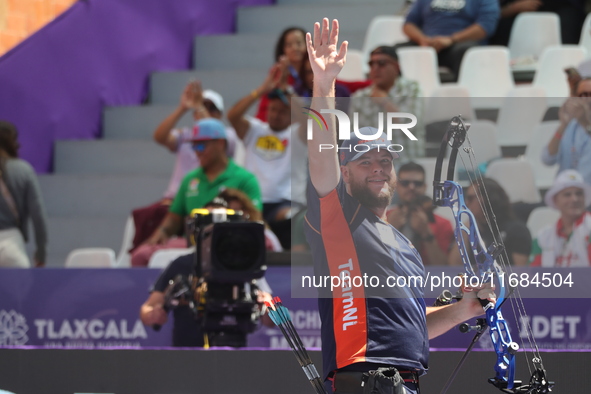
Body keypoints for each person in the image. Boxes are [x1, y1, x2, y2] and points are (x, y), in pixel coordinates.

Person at [304, 18, 495, 394]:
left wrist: (465, 308)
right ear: (345, 171)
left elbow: (409, 323)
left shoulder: (402, 243)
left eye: (385, 161)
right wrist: (324, 86)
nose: (378, 167)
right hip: (366, 380)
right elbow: (320, 157)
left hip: (403, 382)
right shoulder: (339, 216)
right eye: (365, 161)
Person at [130, 118, 262, 267]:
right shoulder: (190, 179)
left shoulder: (245, 179)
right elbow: (175, 217)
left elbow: (254, 218)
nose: (196, 152)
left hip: (230, 243)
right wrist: (161, 232)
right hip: (191, 243)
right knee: (141, 255)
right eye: (194, 146)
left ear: (220, 143)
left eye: (201, 146)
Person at [130, 81, 241, 252]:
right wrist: (183, 108)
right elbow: (159, 137)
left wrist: (199, 109)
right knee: (146, 247)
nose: (199, 150)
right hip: (177, 202)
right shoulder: (186, 135)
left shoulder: (227, 137)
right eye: (203, 106)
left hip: (209, 206)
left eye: (211, 108)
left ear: (220, 114)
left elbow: (212, 132)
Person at [227, 68, 308, 225]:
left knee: (292, 219)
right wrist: (261, 90)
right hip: (252, 203)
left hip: (287, 203)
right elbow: (232, 116)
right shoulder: (254, 129)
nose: (276, 115)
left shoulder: (299, 134)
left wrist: (289, 92)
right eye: (273, 109)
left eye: (283, 111)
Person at [348, 46, 424, 160]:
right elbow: (355, 140)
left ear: (396, 67)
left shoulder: (412, 89)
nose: (375, 68)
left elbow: (411, 125)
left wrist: (385, 102)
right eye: (371, 64)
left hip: (407, 167)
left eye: (381, 63)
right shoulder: (360, 97)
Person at [400, 0, 500, 81]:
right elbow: (408, 24)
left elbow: (485, 27)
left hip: (458, 45)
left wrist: (451, 39)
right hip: (427, 45)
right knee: (394, 52)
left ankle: (459, 96)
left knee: (466, 51)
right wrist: (422, 39)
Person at [448, 178, 532, 266]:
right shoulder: (469, 230)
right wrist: (463, 232)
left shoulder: (516, 230)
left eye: (470, 198)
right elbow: (454, 267)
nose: (466, 203)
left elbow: (520, 273)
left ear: (487, 199)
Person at [0, 121, 47, 268]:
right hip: (11, 247)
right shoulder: (23, 170)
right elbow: (38, 216)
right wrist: (41, 253)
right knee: (22, 290)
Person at [387, 162, 454, 265]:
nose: (411, 187)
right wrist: (388, 230)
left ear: (425, 187)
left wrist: (427, 234)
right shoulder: (383, 218)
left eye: (417, 183)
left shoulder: (443, 224)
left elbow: (444, 268)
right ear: (397, 186)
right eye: (405, 183)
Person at [530, 169, 591, 267]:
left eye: (579, 194)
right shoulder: (543, 237)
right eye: (567, 194)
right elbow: (534, 276)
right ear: (555, 200)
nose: (574, 199)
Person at [542, 78, 591, 186]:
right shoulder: (570, 125)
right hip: (567, 192)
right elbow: (547, 158)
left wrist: (584, 122)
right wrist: (563, 125)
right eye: (583, 94)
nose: (587, 99)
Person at [255, 27, 307, 122]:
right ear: (283, 49)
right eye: (289, 45)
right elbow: (266, 105)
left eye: (299, 43)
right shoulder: (277, 72)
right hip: (280, 124)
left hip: (308, 123)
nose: (294, 48)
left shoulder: (315, 71)